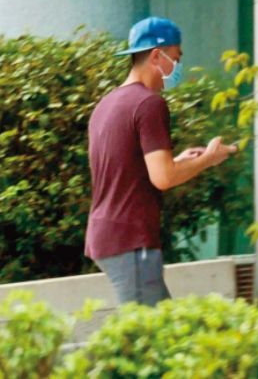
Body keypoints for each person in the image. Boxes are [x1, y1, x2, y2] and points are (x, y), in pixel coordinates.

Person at [84, 16, 238, 306]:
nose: (177, 67)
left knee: (160, 324)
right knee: (150, 328)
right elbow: (164, 177)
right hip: (131, 240)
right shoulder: (149, 104)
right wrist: (209, 158)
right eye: (176, 59)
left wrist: (177, 160)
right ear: (156, 56)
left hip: (108, 235)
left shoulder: (107, 104)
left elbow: (122, 170)